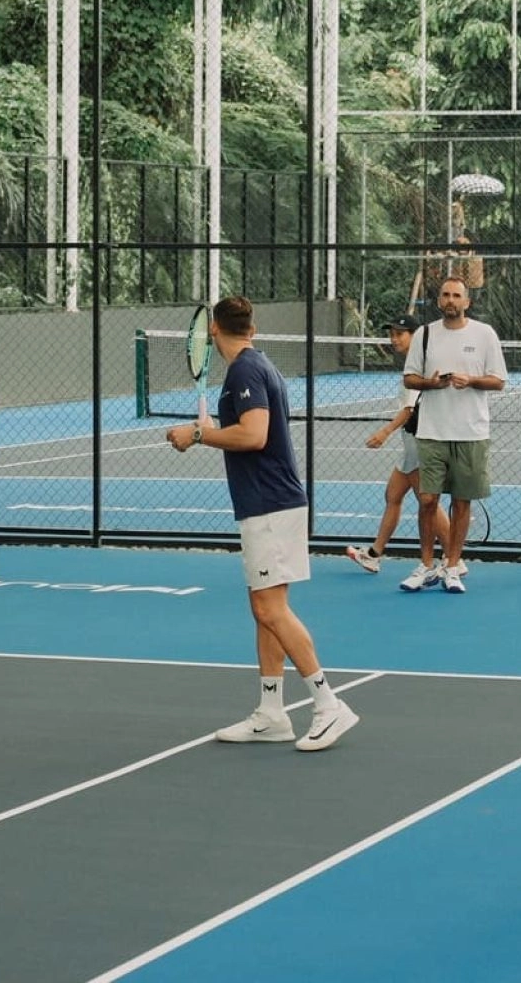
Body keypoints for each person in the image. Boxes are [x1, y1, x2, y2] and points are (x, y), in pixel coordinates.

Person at [167, 296, 358, 752]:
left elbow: (254, 435)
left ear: (213, 330)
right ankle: (271, 713)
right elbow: (245, 432)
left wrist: (196, 435)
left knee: (271, 610)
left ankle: (329, 705)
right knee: (264, 608)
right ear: (251, 326)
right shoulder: (257, 366)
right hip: (268, 503)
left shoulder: (246, 371)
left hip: (271, 505)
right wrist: (213, 429)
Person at [397, 277, 507, 594]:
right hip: (431, 431)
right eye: (445, 295)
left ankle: (452, 565)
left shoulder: (484, 334)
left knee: (461, 502)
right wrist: (431, 384)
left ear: (466, 302)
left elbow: (498, 381)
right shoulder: (425, 334)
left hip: (471, 432)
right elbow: (409, 378)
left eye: (456, 296)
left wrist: (470, 380)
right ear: (439, 301)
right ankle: (426, 565)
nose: (450, 300)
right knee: (428, 500)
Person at [344, 314, 447, 574]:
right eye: (391, 333)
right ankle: (374, 554)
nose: (393, 338)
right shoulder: (413, 364)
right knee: (393, 496)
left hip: (419, 443)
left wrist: (385, 432)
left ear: (415, 336)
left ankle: (453, 559)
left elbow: (409, 409)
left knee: (428, 503)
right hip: (411, 444)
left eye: (400, 333)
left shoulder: (419, 365)